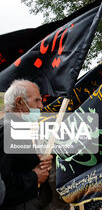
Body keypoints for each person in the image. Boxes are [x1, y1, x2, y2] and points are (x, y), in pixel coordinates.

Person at [0, 80, 53, 209]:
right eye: (36, 100)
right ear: (19, 103)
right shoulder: (7, 131)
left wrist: (40, 161)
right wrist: (35, 177)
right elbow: (3, 183)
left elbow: (20, 164)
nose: (41, 105)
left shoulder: (19, 127)